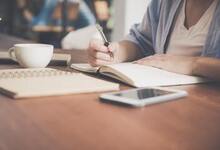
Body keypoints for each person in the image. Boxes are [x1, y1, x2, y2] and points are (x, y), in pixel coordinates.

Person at [88, 0, 220, 81]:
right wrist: (117, 52)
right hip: (162, 93)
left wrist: (192, 64)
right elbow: (142, 41)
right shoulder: (163, 3)